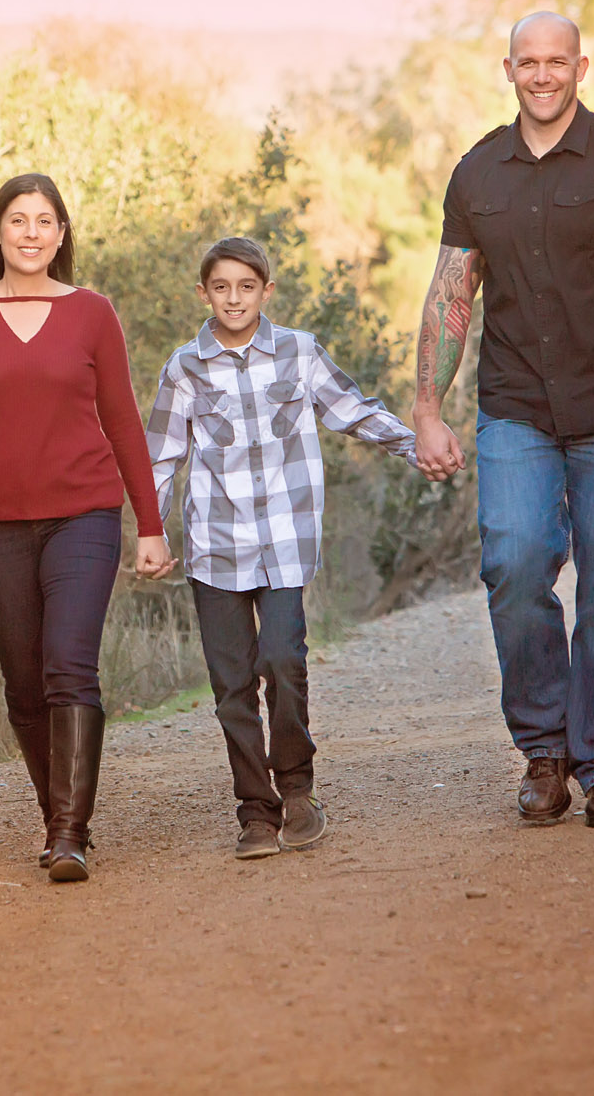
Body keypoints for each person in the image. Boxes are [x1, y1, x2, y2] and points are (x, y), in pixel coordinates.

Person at [411, 12, 594, 829]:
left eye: (556, 61)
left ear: (581, 67)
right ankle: (544, 749)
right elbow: (450, 296)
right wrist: (427, 408)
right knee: (517, 562)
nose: (542, 74)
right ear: (507, 69)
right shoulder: (478, 172)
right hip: (517, 409)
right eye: (528, 62)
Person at [0, 173, 174, 883]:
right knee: (24, 682)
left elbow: (124, 421)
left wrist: (148, 524)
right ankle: (53, 812)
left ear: (62, 235)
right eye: (18, 220)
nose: (31, 232)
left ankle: (70, 832)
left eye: (45, 221)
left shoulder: (92, 312)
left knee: (70, 665)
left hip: (83, 515)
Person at [144, 237, 422, 860]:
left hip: (286, 542)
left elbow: (351, 409)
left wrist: (412, 444)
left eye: (247, 287)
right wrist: (149, 530)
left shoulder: (298, 351)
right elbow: (160, 456)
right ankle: (255, 810)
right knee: (231, 683)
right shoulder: (185, 366)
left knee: (282, 662)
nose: (234, 298)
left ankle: (297, 787)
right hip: (216, 546)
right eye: (221, 287)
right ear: (204, 293)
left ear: (266, 291)